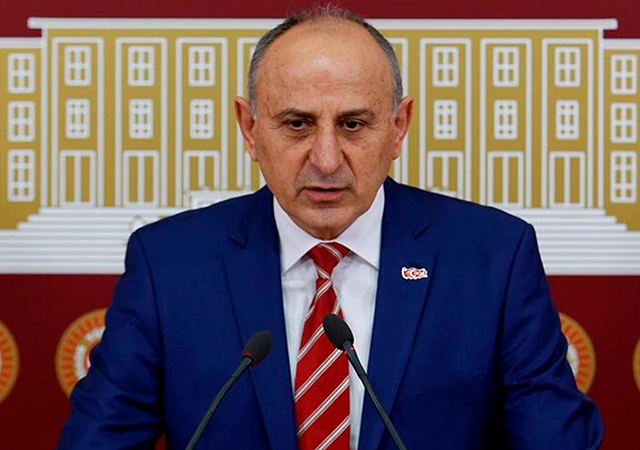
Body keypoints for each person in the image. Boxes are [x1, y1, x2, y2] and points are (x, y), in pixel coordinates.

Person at [57, 6, 603, 450]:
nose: (325, 159)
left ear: (398, 127)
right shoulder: (168, 265)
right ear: (249, 129)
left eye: (353, 124)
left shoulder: (493, 259)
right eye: (297, 123)